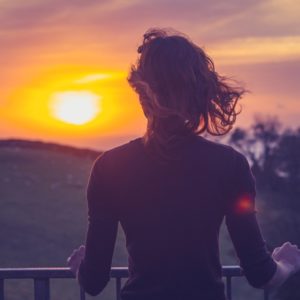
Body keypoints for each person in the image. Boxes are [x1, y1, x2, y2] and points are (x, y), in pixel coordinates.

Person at [67, 28, 300, 299]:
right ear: (200, 94)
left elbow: (94, 282)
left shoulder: (109, 167)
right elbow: (262, 275)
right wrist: (287, 263)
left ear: (142, 95)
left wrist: (79, 268)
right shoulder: (230, 166)